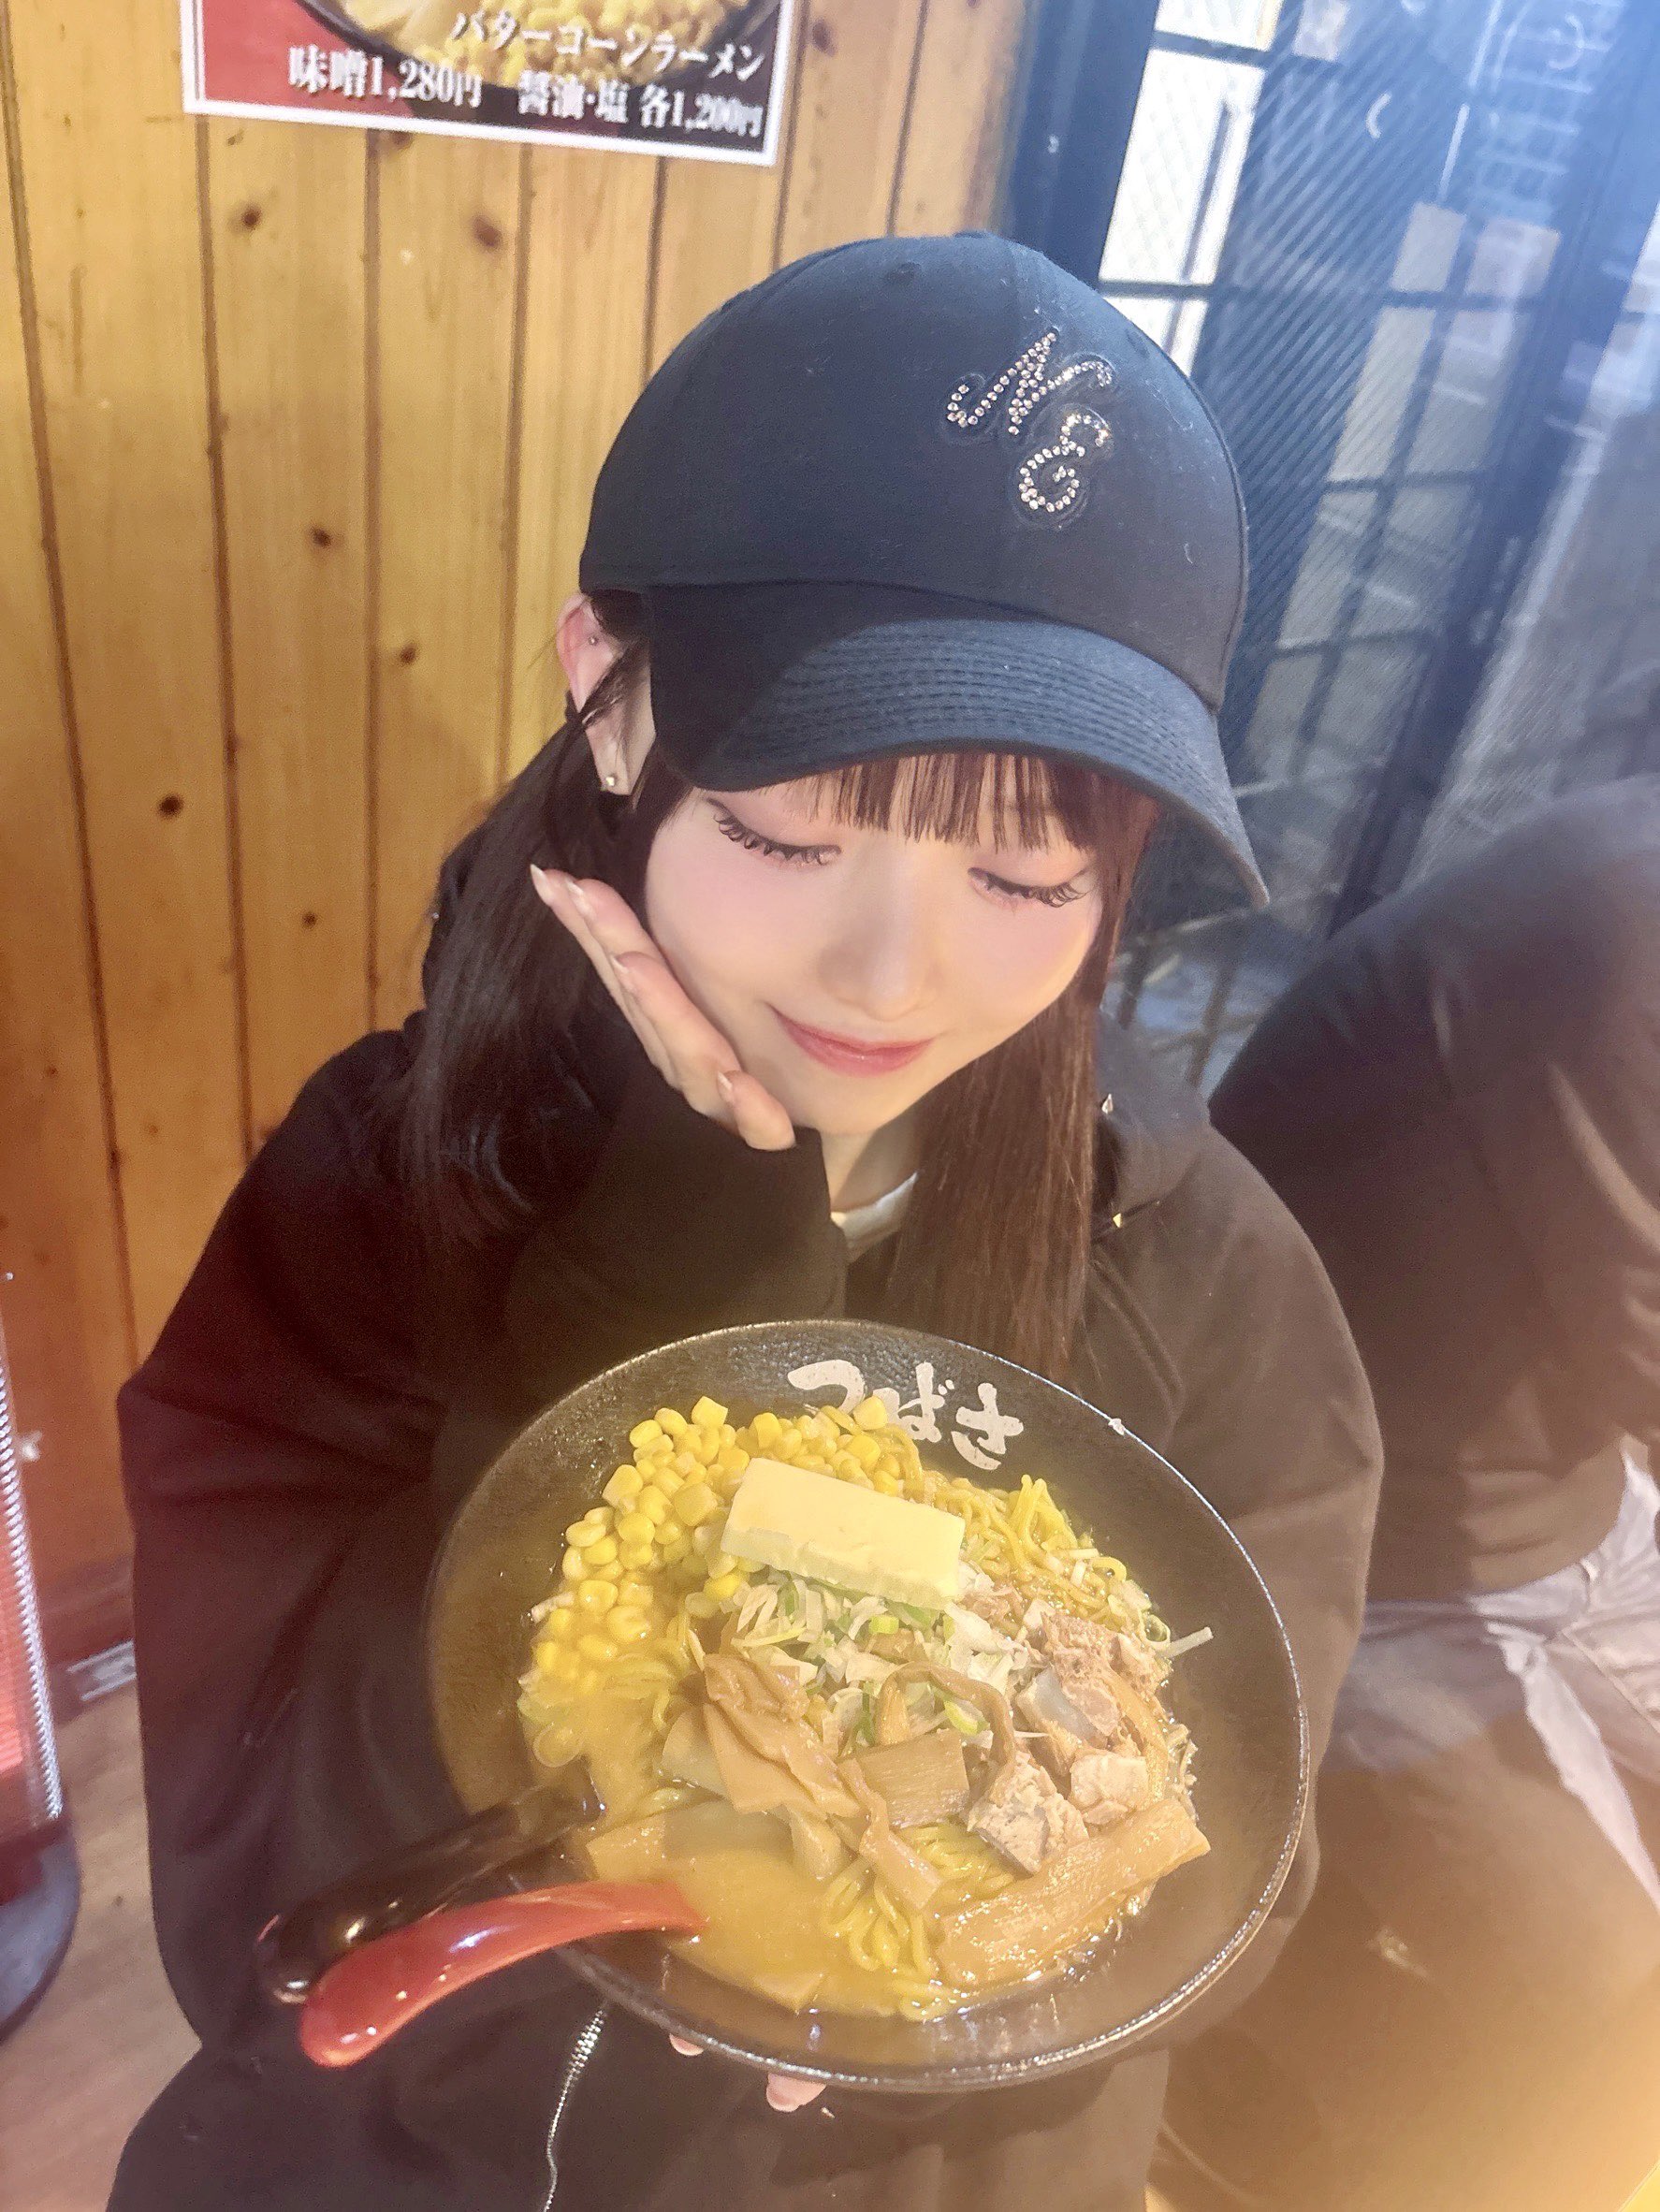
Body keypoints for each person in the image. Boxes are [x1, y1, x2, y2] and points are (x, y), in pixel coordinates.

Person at [112, 232, 1381, 2212]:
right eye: (789, 831)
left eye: (1024, 880)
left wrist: (928, 2029)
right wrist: (649, 1346)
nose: (888, 977)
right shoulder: (381, 1178)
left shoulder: (1196, 1264)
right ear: (609, 699)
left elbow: (1232, 1865)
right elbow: (251, 1909)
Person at [1196, 778, 1660, 2201]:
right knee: (1625, 2026)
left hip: (1569, 1501)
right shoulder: (1628, 924)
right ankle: (1251, 2082)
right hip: (1359, 1550)